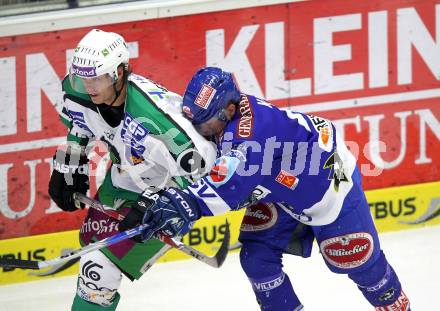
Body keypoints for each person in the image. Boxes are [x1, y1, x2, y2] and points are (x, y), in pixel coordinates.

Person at [126, 67, 412, 310]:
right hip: (281, 189)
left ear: (228, 109)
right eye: (195, 123)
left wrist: (184, 202)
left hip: (331, 189)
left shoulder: (250, 135)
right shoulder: (225, 119)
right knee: (257, 260)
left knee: (362, 265)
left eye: (206, 123)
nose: (200, 131)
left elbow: (228, 188)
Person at [48, 29, 216, 310]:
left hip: (173, 188)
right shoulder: (76, 91)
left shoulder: (158, 120)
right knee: (91, 250)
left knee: (98, 269)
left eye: (97, 77)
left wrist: (159, 204)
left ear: (120, 72)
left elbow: (204, 171)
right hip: (126, 176)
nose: (88, 86)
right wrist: (71, 164)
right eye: (83, 77)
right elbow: (81, 123)